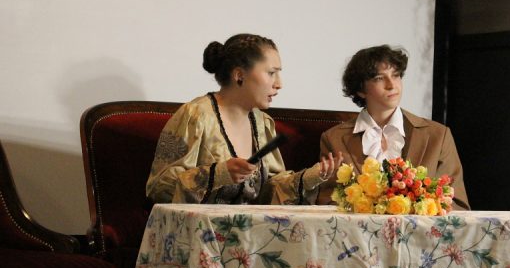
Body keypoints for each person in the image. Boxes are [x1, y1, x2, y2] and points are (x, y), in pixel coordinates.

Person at [146, 33, 343, 205]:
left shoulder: (262, 123)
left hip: (249, 231)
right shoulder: (196, 116)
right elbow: (159, 188)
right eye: (271, 73)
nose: (279, 84)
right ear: (239, 75)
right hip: (199, 230)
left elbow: (268, 191)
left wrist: (309, 177)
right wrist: (218, 174)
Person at [318, 45, 470, 210]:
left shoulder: (438, 135)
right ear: (361, 90)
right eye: (379, 78)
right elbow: (328, 203)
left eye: (396, 75)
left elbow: (457, 204)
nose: (391, 85)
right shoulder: (333, 139)